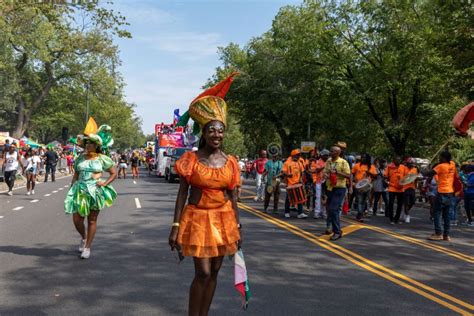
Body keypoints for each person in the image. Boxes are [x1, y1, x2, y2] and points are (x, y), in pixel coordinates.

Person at [168, 74, 241, 316]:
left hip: (224, 221)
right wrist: (176, 226)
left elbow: (233, 196)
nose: (217, 135)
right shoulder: (191, 160)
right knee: (203, 273)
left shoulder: (230, 162)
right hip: (197, 219)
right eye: (212, 131)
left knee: (215, 274)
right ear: (204, 132)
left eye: (220, 131)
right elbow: (182, 194)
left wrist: (237, 228)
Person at [64, 119, 117, 259]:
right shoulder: (80, 158)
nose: (88, 145)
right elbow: (75, 174)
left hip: (95, 191)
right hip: (80, 191)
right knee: (77, 219)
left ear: (97, 145)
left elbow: (113, 173)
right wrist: (71, 189)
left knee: (92, 220)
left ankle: (87, 247)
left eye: (90, 143)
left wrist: (105, 183)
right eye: (86, 143)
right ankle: (83, 237)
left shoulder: (102, 159)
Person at [427, 151, 457, 241]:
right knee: (446, 214)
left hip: (442, 192)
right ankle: (446, 235)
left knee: (437, 213)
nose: (439, 159)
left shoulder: (440, 166)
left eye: (441, 157)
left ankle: (438, 233)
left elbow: (429, 173)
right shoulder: (452, 164)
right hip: (450, 192)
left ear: (444, 158)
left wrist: (423, 170)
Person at [323, 146, 351, 240]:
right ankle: (331, 228)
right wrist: (326, 174)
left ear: (338, 153)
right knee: (330, 209)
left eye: (333, 151)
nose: (330, 152)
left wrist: (337, 172)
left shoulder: (343, 162)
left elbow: (348, 175)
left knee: (333, 209)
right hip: (330, 188)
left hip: (339, 189)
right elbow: (325, 171)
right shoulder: (328, 161)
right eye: (330, 151)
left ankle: (337, 232)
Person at [283, 149, 308, 219]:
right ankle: (287, 212)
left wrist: (302, 180)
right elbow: (283, 172)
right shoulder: (287, 163)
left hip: (298, 183)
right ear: (293, 155)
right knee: (288, 199)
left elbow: (302, 172)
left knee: (300, 198)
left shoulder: (299, 163)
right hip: (290, 183)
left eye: (299, 155)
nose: (299, 156)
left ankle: (300, 213)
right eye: (297, 155)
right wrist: (288, 175)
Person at [351, 153, 377, 222]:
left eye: (365, 157)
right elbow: (352, 174)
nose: (363, 159)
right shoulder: (357, 165)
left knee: (364, 201)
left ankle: (360, 214)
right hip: (358, 186)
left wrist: (369, 173)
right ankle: (360, 214)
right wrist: (353, 182)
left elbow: (375, 176)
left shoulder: (371, 166)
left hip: (367, 186)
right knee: (359, 201)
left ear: (367, 159)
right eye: (362, 157)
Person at [384, 156, 405, 224]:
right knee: (391, 203)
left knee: (400, 204)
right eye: (396, 159)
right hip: (392, 187)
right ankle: (391, 219)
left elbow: (407, 177)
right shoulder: (389, 167)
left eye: (399, 160)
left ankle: (397, 218)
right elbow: (385, 176)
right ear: (393, 160)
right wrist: (387, 182)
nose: (398, 161)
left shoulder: (403, 167)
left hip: (401, 188)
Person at [308, 149, 328, 219]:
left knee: (325, 197)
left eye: (327, 155)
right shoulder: (317, 162)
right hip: (318, 182)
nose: (327, 157)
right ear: (322, 155)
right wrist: (324, 167)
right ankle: (317, 213)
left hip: (327, 182)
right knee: (318, 197)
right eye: (325, 155)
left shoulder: (329, 162)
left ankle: (324, 212)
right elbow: (315, 170)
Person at [401, 158, 419, 223]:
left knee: (412, 202)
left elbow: (416, 178)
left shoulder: (415, 169)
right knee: (406, 202)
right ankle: (407, 215)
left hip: (412, 187)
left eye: (413, 164)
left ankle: (406, 211)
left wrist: (416, 185)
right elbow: (401, 178)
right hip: (405, 187)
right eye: (410, 164)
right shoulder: (404, 168)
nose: (412, 165)